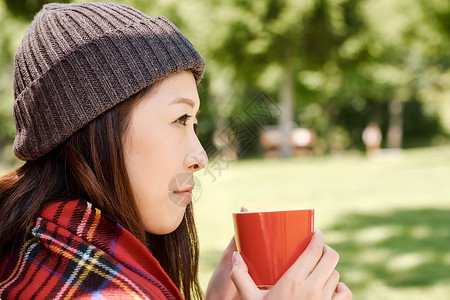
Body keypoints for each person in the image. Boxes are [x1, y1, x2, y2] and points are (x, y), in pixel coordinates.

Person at [0, 2, 352, 299]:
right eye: (180, 118)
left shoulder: (41, 252)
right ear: (95, 129)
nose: (200, 157)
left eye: (194, 123)